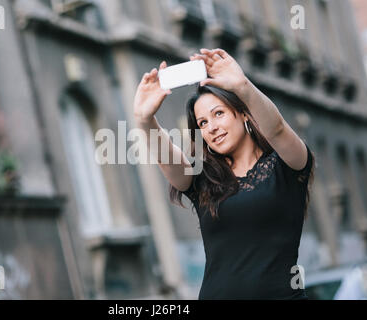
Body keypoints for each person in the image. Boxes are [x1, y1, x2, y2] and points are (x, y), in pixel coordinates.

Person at [133, 48, 315, 300]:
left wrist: (242, 86)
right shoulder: (204, 180)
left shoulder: (287, 166)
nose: (212, 127)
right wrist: (145, 120)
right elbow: (168, 160)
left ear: (243, 114)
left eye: (218, 113)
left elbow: (277, 129)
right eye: (203, 123)